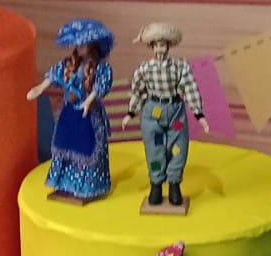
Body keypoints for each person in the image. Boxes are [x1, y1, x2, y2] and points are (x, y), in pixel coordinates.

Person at [122, 23, 208, 208]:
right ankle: (156, 184)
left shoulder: (180, 67)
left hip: (175, 111)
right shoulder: (144, 69)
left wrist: (198, 114)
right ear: (152, 47)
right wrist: (131, 112)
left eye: (163, 45)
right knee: (155, 148)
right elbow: (138, 91)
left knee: (178, 146)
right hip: (154, 112)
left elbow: (190, 88)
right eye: (156, 45)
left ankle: (174, 184)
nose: (160, 49)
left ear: (169, 46)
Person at [28, 19, 114, 201]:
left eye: (83, 44)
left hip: (88, 113)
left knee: (86, 148)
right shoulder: (70, 63)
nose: (79, 47)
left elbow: (101, 85)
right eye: (77, 44)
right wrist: (41, 87)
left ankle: (85, 187)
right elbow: (55, 74)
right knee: (64, 145)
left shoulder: (101, 67)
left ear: (92, 45)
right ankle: (65, 184)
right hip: (70, 113)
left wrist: (89, 100)